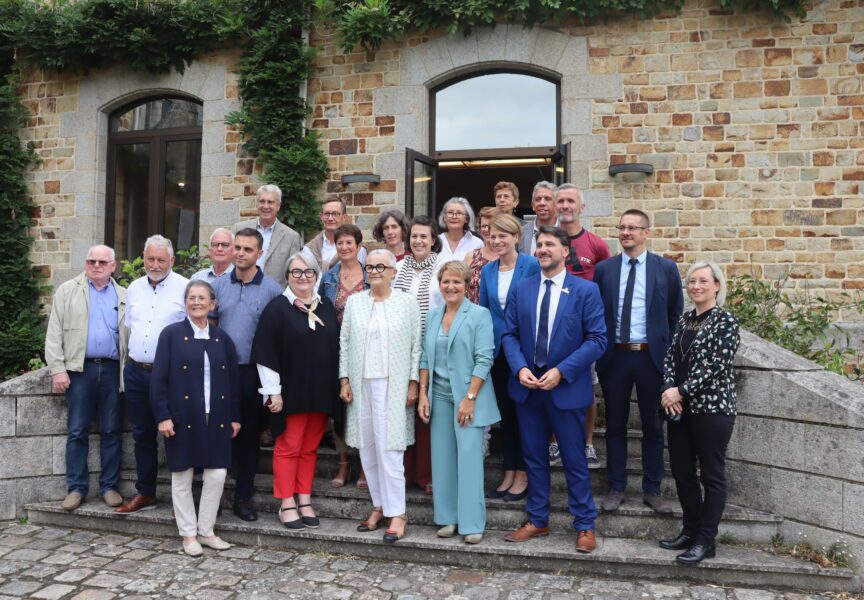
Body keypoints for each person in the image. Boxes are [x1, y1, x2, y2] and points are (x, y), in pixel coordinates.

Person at [500, 227, 606, 553]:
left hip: (566, 388)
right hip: (528, 389)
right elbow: (509, 335)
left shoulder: (585, 291)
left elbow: (597, 340)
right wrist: (519, 368)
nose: (543, 249)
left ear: (565, 251)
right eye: (539, 245)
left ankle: (585, 524)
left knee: (574, 459)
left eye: (550, 244)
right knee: (534, 458)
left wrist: (562, 371)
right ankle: (537, 520)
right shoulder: (522, 289)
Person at [594, 209, 684, 515]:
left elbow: (674, 316)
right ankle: (616, 487)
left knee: (653, 426)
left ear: (646, 232)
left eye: (632, 228)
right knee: (615, 425)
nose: (626, 233)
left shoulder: (666, 269)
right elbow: (598, 314)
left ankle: (652, 489)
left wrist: (669, 359)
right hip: (615, 357)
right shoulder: (604, 270)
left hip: (651, 358)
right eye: (622, 227)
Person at [150, 280, 240, 556]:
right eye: (192, 298)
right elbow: (158, 379)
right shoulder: (171, 335)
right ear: (185, 303)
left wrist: (235, 417)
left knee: (217, 474)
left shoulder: (222, 338)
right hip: (182, 416)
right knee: (182, 474)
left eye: (202, 298)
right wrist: (162, 416)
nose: (197, 302)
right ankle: (188, 534)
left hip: (217, 416)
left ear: (213, 304)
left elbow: (233, 382)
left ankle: (206, 530)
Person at [659, 261, 740, 564]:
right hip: (680, 409)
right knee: (682, 473)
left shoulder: (725, 321)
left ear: (717, 286)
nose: (696, 286)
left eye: (703, 281)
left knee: (712, 475)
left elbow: (716, 365)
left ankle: (706, 540)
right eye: (692, 281)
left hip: (713, 410)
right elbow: (670, 357)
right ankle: (691, 530)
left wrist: (680, 390)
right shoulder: (685, 320)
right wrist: (669, 389)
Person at [253, 253, 341, 530]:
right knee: (288, 447)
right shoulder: (277, 309)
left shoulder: (325, 306)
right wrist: (273, 392)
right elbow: (265, 352)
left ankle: (304, 498)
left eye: (308, 272)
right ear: (287, 276)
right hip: (290, 392)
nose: (303, 277)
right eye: (296, 272)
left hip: (320, 392)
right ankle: (286, 501)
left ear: (316, 276)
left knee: (310, 449)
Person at [339, 249, 422, 543]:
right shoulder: (355, 302)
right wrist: (344, 379)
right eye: (370, 267)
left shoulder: (407, 303)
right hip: (361, 383)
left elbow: (416, 345)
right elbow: (344, 342)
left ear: (393, 272)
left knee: (390, 449)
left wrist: (413, 382)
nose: (374, 271)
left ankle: (398, 512)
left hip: (393, 384)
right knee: (368, 448)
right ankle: (379, 505)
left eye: (380, 267)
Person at [418, 261, 500, 544]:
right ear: (439, 285)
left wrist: (470, 398)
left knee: (468, 458)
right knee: (442, 459)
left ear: (466, 286)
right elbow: (425, 357)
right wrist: (423, 393)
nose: (450, 287)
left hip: (468, 397)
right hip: (439, 396)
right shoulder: (433, 315)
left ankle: (472, 522)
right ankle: (447, 517)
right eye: (446, 282)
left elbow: (485, 359)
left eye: (456, 282)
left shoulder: (479, 315)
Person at [45, 245, 127, 512]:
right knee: (77, 430)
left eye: (102, 262)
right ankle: (76, 488)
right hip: (80, 370)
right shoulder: (68, 291)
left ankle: (109, 487)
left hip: (113, 369)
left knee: (112, 430)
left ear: (113, 266)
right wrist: (58, 369)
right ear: (86, 263)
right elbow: (54, 333)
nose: (96, 266)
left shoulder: (124, 295)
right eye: (92, 261)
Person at [210, 228, 283, 522]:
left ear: (259, 254)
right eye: (237, 247)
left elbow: (277, 337)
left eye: (247, 249)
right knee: (218, 435)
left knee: (249, 437)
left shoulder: (272, 290)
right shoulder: (217, 286)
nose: (240, 253)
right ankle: (213, 501)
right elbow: (209, 328)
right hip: (220, 372)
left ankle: (243, 498)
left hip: (254, 373)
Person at [116, 235, 189, 515]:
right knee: (142, 434)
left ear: (172, 260)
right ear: (143, 259)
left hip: (170, 375)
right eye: (150, 259)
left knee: (175, 434)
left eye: (161, 260)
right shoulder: (134, 288)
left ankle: (180, 500)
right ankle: (145, 492)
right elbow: (130, 328)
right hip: (136, 371)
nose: (155, 265)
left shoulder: (185, 287)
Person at [478, 214, 540, 502]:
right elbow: (483, 311)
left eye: (503, 235)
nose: (497, 240)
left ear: (517, 237)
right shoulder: (488, 270)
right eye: (493, 236)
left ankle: (524, 473)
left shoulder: (532, 265)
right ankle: (509, 470)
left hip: (525, 352)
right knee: (505, 413)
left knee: (523, 413)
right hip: (497, 352)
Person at [552, 184, 610, 469]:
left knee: (588, 388)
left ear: (582, 207)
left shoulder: (597, 244)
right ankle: (553, 443)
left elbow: (607, 283)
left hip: (585, 330)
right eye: (561, 201)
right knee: (549, 384)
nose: (565, 206)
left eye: (570, 201)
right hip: (552, 327)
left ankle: (587, 444)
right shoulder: (547, 240)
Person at [394, 214, 442, 494]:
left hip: (431, 347)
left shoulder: (442, 267)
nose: (418, 241)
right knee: (404, 409)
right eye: (414, 236)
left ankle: (426, 474)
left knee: (427, 412)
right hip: (401, 348)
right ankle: (404, 472)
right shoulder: (399, 267)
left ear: (433, 240)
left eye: (424, 236)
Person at [319, 223, 369, 488]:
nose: (345, 247)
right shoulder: (328, 277)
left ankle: (364, 465)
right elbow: (319, 310)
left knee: (363, 408)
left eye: (350, 242)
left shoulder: (370, 275)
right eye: (340, 243)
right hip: (335, 348)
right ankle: (343, 463)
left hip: (366, 349)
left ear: (359, 246)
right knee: (339, 409)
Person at [233, 184, 302, 288]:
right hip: (241, 289)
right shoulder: (239, 229)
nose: (265, 206)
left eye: (270, 202)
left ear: (278, 206)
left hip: (274, 294)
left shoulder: (291, 237)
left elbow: (294, 272)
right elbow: (231, 261)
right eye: (262, 201)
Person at [305, 196, 367, 277]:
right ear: (321, 217)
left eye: (335, 214)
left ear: (344, 217)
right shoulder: (309, 249)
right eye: (327, 214)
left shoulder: (357, 250)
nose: (330, 218)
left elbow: (362, 278)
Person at [463, 206, 500, 304]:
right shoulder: (471, 256)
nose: (486, 229)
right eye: (483, 226)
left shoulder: (507, 258)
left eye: (490, 226)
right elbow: (460, 288)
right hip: (472, 312)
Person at [437, 197, 484, 263]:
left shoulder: (477, 243)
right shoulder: (436, 241)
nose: (454, 217)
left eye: (459, 213)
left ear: (466, 219)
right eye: (450, 212)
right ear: (444, 217)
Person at [519, 181, 558, 256]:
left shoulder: (566, 231)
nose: (542, 203)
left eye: (547, 199)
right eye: (538, 199)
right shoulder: (521, 233)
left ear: (556, 204)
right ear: (533, 205)